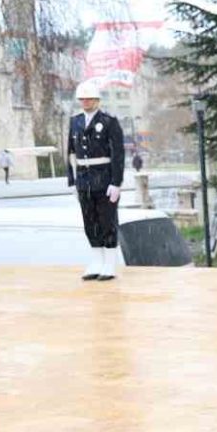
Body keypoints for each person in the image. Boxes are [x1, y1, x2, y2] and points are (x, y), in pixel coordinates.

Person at [66, 81, 125, 282]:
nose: (85, 102)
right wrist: (72, 181)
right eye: (82, 99)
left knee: (107, 221)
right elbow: (71, 153)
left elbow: (118, 154)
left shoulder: (109, 121)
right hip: (84, 180)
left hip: (104, 179)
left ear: (97, 100)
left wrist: (116, 182)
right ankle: (96, 261)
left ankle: (110, 263)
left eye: (89, 99)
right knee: (89, 222)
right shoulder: (75, 122)